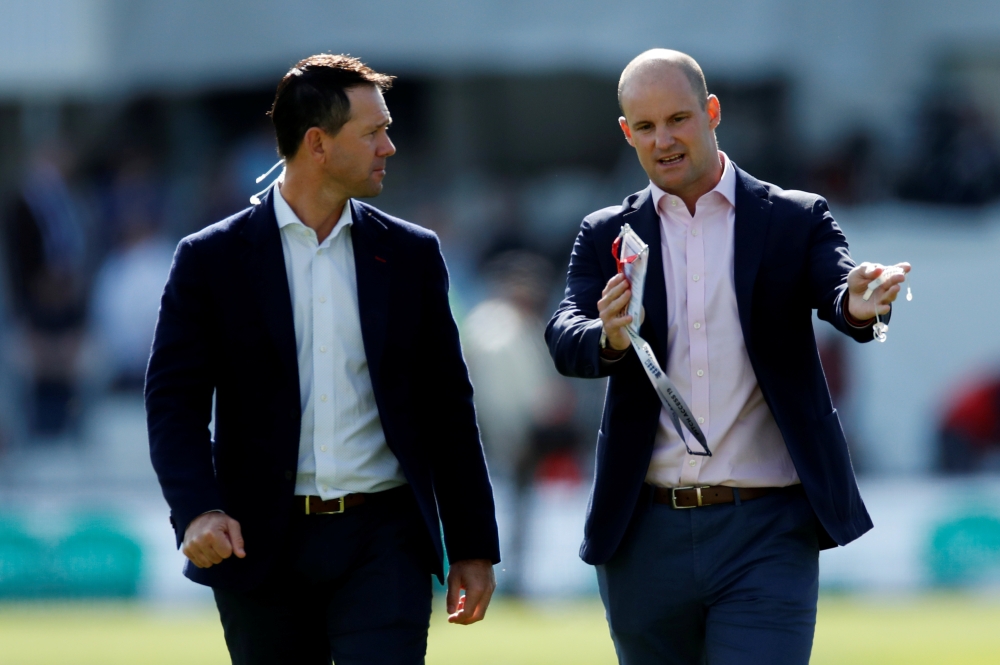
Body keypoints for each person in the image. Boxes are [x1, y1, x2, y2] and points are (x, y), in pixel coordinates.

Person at [545, 49, 910, 665]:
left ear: (712, 112)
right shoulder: (606, 230)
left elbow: (843, 295)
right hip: (643, 535)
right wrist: (607, 337)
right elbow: (564, 334)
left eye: (679, 119)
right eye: (645, 126)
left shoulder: (795, 218)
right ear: (626, 132)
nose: (663, 139)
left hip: (767, 531)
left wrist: (865, 302)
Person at [146, 54, 499, 665]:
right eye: (373, 133)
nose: (389, 146)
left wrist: (472, 544)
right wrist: (198, 511)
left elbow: (448, 405)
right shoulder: (211, 260)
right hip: (257, 546)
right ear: (317, 143)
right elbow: (172, 404)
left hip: (384, 540)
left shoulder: (412, 255)